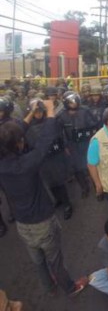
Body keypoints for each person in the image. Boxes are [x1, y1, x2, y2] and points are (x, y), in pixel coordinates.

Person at [0, 100, 88, 297]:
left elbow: (12, 134)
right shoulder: (25, 164)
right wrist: (49, 111)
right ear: (18, 143)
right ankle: (70, 288)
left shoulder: (4, 162)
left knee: (38, 261)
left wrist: (31, 112)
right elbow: (44, 143)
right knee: (55, 260)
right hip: (42, 223)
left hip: (22, 224)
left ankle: (49, 287)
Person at [24, 99, 72, 220]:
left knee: (59, 181)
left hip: (55, 156)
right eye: (36, 112)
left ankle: (67, 204)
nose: (38, 114)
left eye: (41, 111)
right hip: (41, 159)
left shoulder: (52, 122)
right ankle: (58, 200)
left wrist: (65, 146)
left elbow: (61, 135)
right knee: (49, 182)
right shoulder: (28, 126)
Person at [57, 91, 96, 198]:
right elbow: (60, 132)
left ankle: (97, 186)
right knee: (76, 169)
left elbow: (93, 125)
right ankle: (84, 188)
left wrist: (91, 138)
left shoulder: (85, 111)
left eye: (75, 101)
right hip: (72, 145)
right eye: (70, 102)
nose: (73, 104)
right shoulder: (61, 115)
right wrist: (65, 145)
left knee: (91, 165)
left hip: (86, 142)